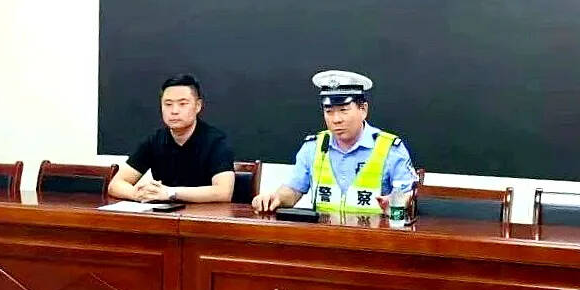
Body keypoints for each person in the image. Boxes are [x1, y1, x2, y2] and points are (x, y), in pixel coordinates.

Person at [251, 70, 417, 215]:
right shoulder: (314, 147)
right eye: (329, 111)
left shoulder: (390, 149)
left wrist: (397, 202)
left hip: (374, 236)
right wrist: (276, 198)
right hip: (324, 236)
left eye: (344, 110)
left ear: (363, 110)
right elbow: (293, 190)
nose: (336, 119)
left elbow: (409, 196)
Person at [107, 74, 235, 203]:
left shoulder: (216, 141)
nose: (174, 111)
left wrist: (170, 193)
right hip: (166, 213)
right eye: (168, 104)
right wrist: (138, 194)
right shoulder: (154, 140)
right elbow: (115, 185)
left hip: (206, 213)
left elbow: (223, 192)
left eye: (182, 104)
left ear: (198, 106)